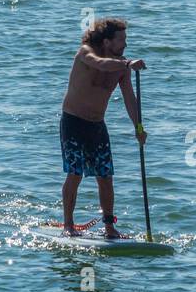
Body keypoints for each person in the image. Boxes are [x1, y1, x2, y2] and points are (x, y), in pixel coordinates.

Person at [58, 17, 146, 238]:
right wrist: (126, 64)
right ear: (106, 41)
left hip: (97, 125)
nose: (125, 45)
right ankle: (68, 225)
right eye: (121, 40)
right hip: (73, 122)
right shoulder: (85, 52)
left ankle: (109, 227)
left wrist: (138, 127)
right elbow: (100, 64)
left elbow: (129, 98)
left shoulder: (122, 67)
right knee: (75, 173)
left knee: (105, 177)